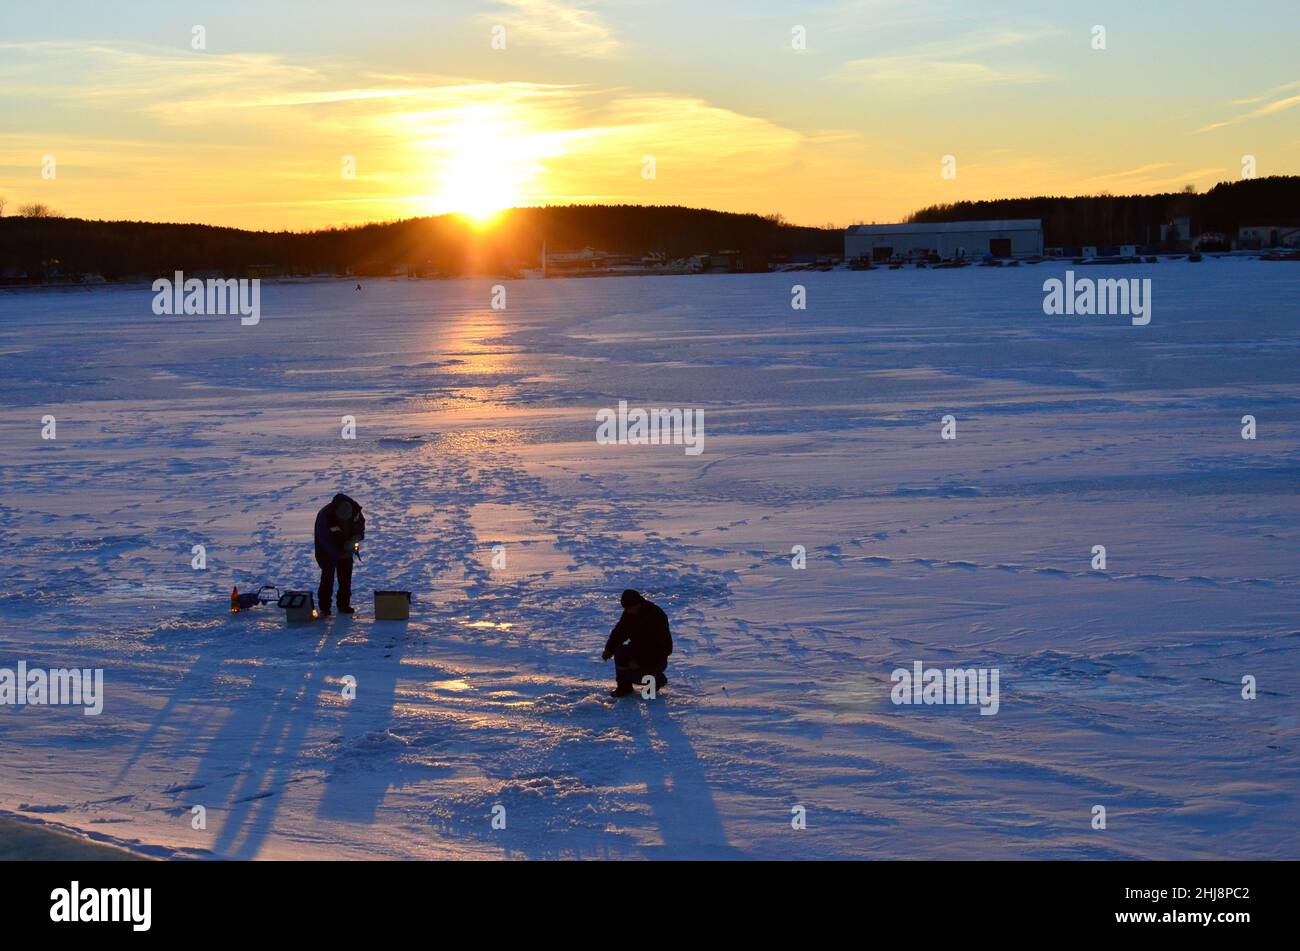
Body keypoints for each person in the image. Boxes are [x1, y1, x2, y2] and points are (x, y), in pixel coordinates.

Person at [601, 589, 672, 697]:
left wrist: (639, 662)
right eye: (626, 609)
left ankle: (658, 680)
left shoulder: (655, 615)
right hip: (637, 651)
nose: (628, 611)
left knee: (641, 684)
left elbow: (662, 648)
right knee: (620, 651)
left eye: (630, 608)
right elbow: (619, 632)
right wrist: (609, 649)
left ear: (638, 603)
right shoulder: (629, 614)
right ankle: (624, 688)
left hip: (656, 657)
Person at [315, 493, 365, 616]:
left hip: (346, 547)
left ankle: (344, 605)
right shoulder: (324, 515)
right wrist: (338, 554)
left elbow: (360, 527)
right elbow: (324, 540)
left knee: (345, 578)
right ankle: (325, 607)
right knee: (327, 577)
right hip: (326, 551)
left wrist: (357, 537)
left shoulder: (356, 512)